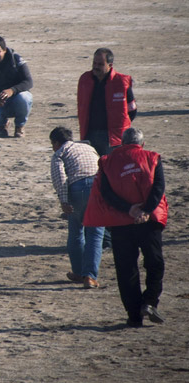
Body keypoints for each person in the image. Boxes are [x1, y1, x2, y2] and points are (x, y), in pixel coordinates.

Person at [84, 128, 167, 327]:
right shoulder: (153, 158)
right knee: (155, 263)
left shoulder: (106, 162)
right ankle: (150, 302)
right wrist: (145, 210)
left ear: (121, 143)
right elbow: (158, 187)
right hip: (149, 222)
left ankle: (134, 316)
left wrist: (129, 209)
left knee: (126, 268)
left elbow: (105, 193)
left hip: (121, 223)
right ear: (142, 144)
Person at [49, 126, 104, 288]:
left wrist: (64, 202)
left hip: (77, 190)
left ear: (56, 142)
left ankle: (80, 272)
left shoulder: (59, 153)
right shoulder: (89, 147)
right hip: (97, 188)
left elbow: (60, 179)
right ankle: (90, 276)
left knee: (76, 231)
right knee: (95, 233)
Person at [77, 47, 136, 157]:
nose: (96, 67)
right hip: (90, 133)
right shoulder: (85, 79)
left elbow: (132, 110)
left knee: (113, 169)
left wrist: (120, 127)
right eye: (94, 63)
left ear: (110, 65)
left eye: (100, 64)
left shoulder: (122, 82)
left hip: (113, 137)